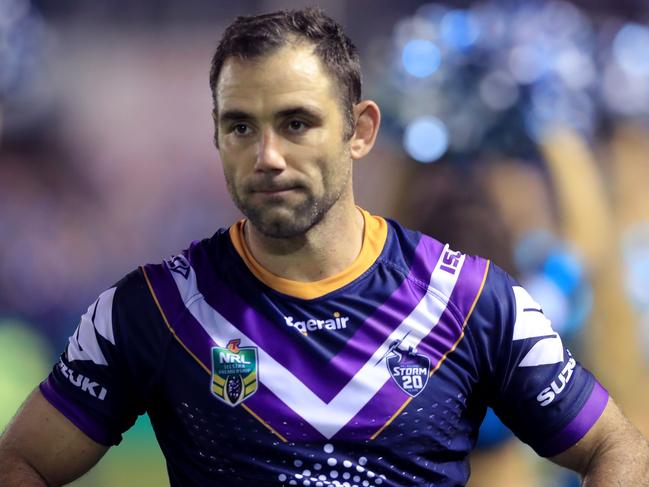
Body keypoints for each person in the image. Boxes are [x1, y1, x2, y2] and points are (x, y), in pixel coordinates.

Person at [1, 8, 648, 487]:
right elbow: (22, 458)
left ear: (361, 130)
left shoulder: (476, 300)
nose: (268, 156)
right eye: (240, 126)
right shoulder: (154, 307)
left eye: (297, 122)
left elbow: (617, 448)